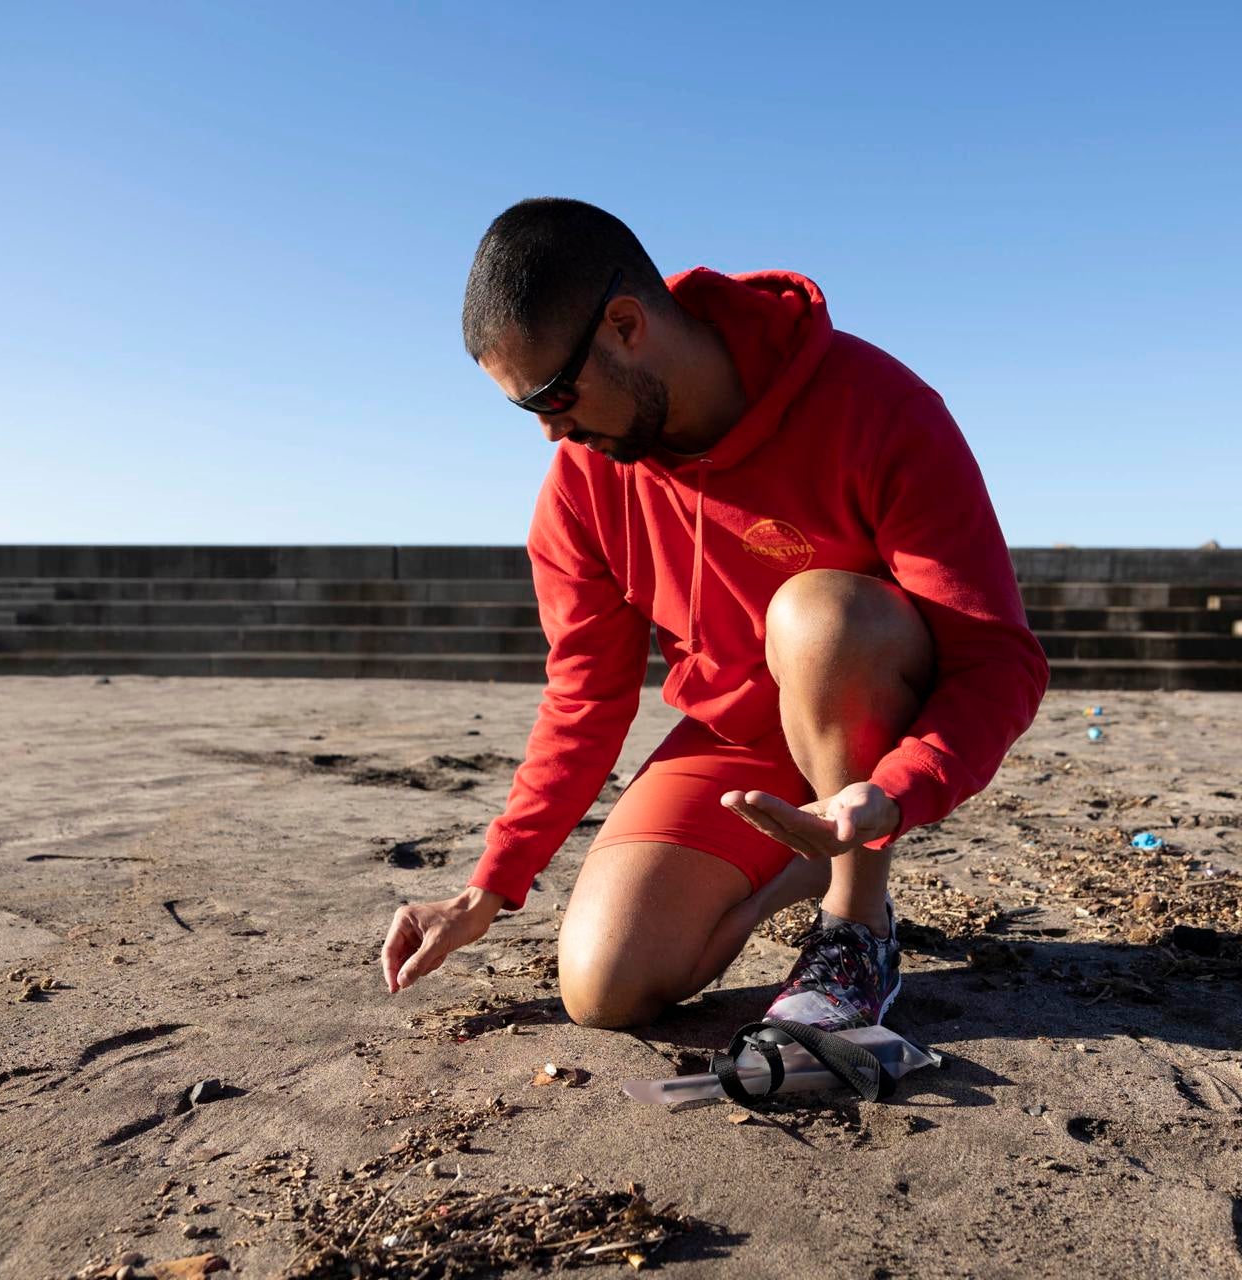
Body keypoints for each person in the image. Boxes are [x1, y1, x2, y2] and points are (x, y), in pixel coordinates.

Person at [380, 198, 1048, 1031]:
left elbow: (998, 659)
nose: (551, 432)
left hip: (867, 709)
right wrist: (489, 886)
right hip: (735, 747)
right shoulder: (585, 481)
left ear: (626, 325)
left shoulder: (878, 406)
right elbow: (584, 696)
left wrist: (893, 791)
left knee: (818, 615)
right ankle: (798, 866)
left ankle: (854, 924)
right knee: (606, 989)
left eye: (553, 394)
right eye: (528, 410)